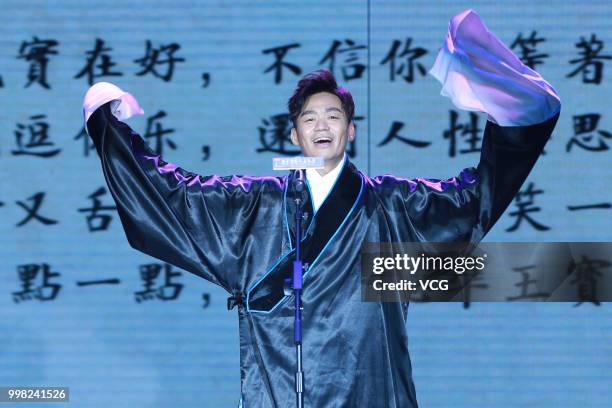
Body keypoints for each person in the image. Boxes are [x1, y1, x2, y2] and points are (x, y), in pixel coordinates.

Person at [82, 9, 560, 408]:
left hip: (371, 390)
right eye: (309, 117)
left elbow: (471, 202)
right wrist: (106, 121)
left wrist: (519, 116)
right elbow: (174, 199)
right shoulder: (255, 207)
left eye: (334, 115)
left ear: (350, 130)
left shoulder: (390, 207)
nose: (322, 125)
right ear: (295, 135)